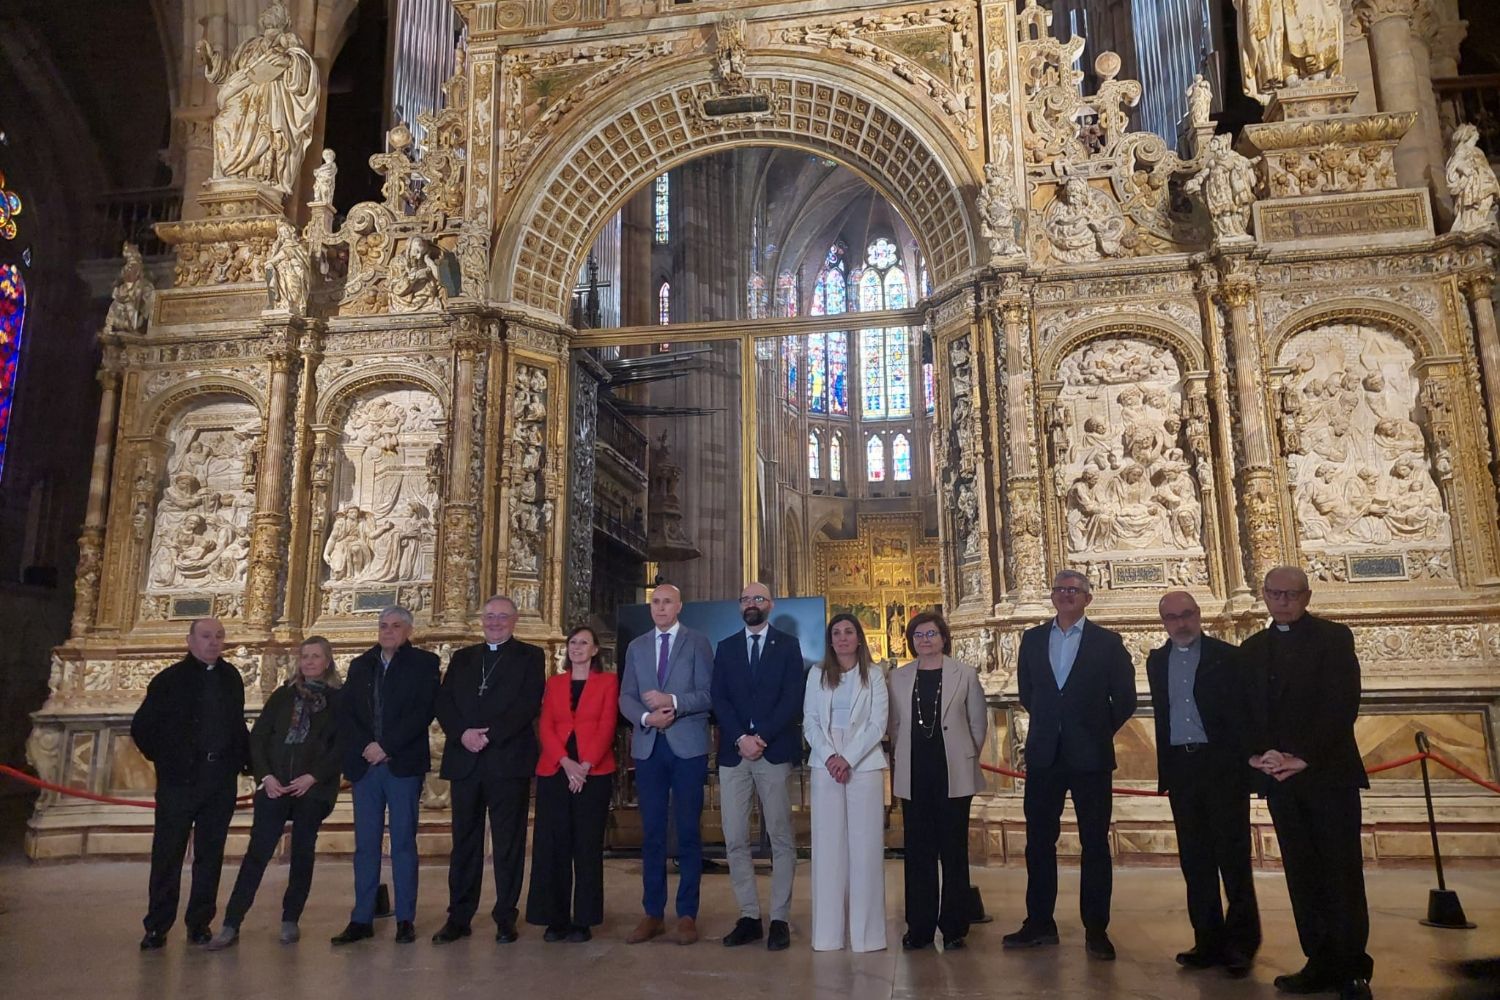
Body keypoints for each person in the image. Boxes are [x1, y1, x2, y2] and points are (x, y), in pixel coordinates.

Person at [1243, 567, 1372, 1000]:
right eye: (1275, 593)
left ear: (1306, 596)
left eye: (1291, 594)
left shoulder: (1334, 639)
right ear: (1264, 596)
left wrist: (1303, 756)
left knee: (1341, 872)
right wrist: (1262, 756)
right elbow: (1252, 712)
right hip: (1282, 779)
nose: (1282, 601)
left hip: (1328, 776)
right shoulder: (1254, 647)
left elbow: (1341, 705)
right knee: (1302, 873)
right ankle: (1318, 959)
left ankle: (1353, 967)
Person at [1004, 569, 1136, 960]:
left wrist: (1094, 729)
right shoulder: (1032, 640)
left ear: (1087, 598)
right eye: (1060, 589)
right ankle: (1039, 922)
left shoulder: (1108, 643)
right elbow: (1029, 691)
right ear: (1053, 596)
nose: (1066, 595)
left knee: (1094, 843)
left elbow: (1125, 698)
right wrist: (1052, 724)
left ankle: (1096, 928)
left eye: (1073, 590)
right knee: (1038, 842)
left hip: (1090, 756)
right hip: (1045, 754)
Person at [1146, 592, 1260, 977]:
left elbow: (1245, 712)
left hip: (1221, 765)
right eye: (1172, 617)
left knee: (1233, 856)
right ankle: (1207, 939)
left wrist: (1246, 762)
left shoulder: (1228, 656)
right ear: (1163, 621)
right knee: (1195, 859)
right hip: (1182, 767)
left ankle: (1241, 943)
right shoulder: (1156, 661)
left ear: (1199, 615)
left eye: (1187, 615)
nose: (1180, 623)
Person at [208, 637, 343, 949]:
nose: (309, 662)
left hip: (312, 789)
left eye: (315, 657)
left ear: (327, 661)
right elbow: (260, 737)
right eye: (305, 656)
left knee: (302, 854)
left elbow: (342, 744)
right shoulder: (283, 696)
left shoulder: (339, 700)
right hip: (275, 785)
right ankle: (231, 922)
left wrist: (314, 776)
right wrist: (265, 776)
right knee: (258, 852)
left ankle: (290, 919)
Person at [432, 595, 546, 944]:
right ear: (482, 620)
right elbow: (444, 700)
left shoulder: (530, 656)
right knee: (464, 843)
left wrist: (489, 735)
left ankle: (505, 915)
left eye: (502, 617)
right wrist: (462, 733)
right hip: (466, 760)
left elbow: (528, 704)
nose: (495, 622)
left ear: (514, 620)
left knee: (508, 843)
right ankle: (459, 916)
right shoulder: (464, 658)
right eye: (490, 616)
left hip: (506, 760)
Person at [131, 617, 250, 950]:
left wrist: (243, 761)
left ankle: (199, 922)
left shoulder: (231, 678)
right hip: (179, 781)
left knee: (210, 855)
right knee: (168, 854)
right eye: (206, 636)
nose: (213, 642)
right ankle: (157, 926)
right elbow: (143, 727)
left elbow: (236, 724)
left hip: (219, 780)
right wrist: (169, 763)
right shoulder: (170, 680)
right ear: (190, 640)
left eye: (219, 636)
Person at [332, 606, 440, 945]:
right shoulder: (360, 665)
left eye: (395, 626)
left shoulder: (424, 664)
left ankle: (405, 918)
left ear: (408, 630)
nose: (388, 631)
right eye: (383, 626)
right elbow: (347, 713)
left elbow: (423, 711)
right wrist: (367, 745)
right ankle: (361, 917)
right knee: (365, 845)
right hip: (366, 766)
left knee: (404, 843)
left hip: (401, 764)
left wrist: (387, 746)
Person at [618, 583, 715, 945]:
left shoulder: (698, 642)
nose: (660, 608)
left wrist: (673, 701)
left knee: (688, 830)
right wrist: (646, 719)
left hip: (686, 745)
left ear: (679, 607)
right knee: (653, 833)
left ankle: (687, 914)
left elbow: (708, 693)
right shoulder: (637, 647)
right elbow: (626, 696)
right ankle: (652, 913)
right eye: (655, 602)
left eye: (667, 602)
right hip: (648, 747)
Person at [712, 582, 806, 952]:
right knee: (735, 838)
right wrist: (740, 737)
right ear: (740, 607)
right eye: (746, 598)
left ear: (771, 605)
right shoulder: (727, 647)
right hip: (735, 755)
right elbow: (719, 697)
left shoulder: (787, 645)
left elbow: (792, 696)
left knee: (780, 837)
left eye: (758, 598)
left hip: (773, 752)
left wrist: (761, 735)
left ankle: (779, 918)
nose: (751, 604)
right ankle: (749, 915)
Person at [888, 610, 988, 952]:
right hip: (915, 773)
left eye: (931, 634)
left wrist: (965, 754)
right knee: (918, 852)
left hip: (953, 772)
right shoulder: (898, 678)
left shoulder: (965, 674)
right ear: (911, 641)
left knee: (954, 851)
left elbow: (977, 723)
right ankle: (919, 926)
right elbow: (895, 725)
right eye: (918, 635)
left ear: (944, 638)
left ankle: (955, 926)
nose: (925, 640)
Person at [525, 625, 619, 942]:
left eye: (584, 643)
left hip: (594, 772)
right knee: (555, 846)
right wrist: (566, 763)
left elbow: (608, 725)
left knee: (587, 846)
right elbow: (546, 724)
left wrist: (585, 765)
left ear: (595, 651)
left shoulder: (608, 682)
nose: (577, 647)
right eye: (573, 642)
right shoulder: (555, 683)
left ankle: (584, 919)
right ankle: (556, 918)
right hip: (556, 770)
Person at [804, 613, 889, 953]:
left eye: (848, 632)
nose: (842, 638)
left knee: (865, 849)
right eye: (836, 632)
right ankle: (828, 935)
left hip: (863, 764)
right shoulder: (817, 674)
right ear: (830, 639)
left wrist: (848, 758)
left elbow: (877, 723)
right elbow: (810, 721)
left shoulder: (875, 675)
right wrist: (830, 756)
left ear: (858, 638)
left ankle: (867, 936)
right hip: (825, 764)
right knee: (828, 850)